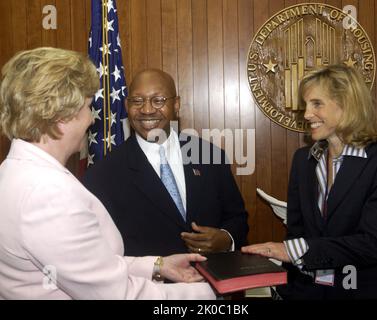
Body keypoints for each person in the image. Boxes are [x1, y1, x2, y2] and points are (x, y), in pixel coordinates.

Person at [0, 47, 215, 300]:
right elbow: (116, 295)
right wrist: (205, 293)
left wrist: (157, 266)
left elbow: (87, 268)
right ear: (61, 115)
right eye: (88, 107)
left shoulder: (15, 171)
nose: (92, 119)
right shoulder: (48, 195)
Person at [242, 64, 377, 299]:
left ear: (347, 105)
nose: (307, 114)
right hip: (306, 292)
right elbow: (296, 231)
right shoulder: (303, 160)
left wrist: (290, 250)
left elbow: (373, 244)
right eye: (306, 105)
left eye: (317, 104)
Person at [82, 68, 249, 257]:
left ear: (176, 105)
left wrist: (226, 239)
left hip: (212, 280)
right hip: (150, 285)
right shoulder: (103, 175)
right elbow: (100, 250)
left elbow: (237, 218)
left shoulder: (209, 155)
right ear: (127, 106)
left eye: (158, 100)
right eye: (137, 101)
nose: (147, 110)